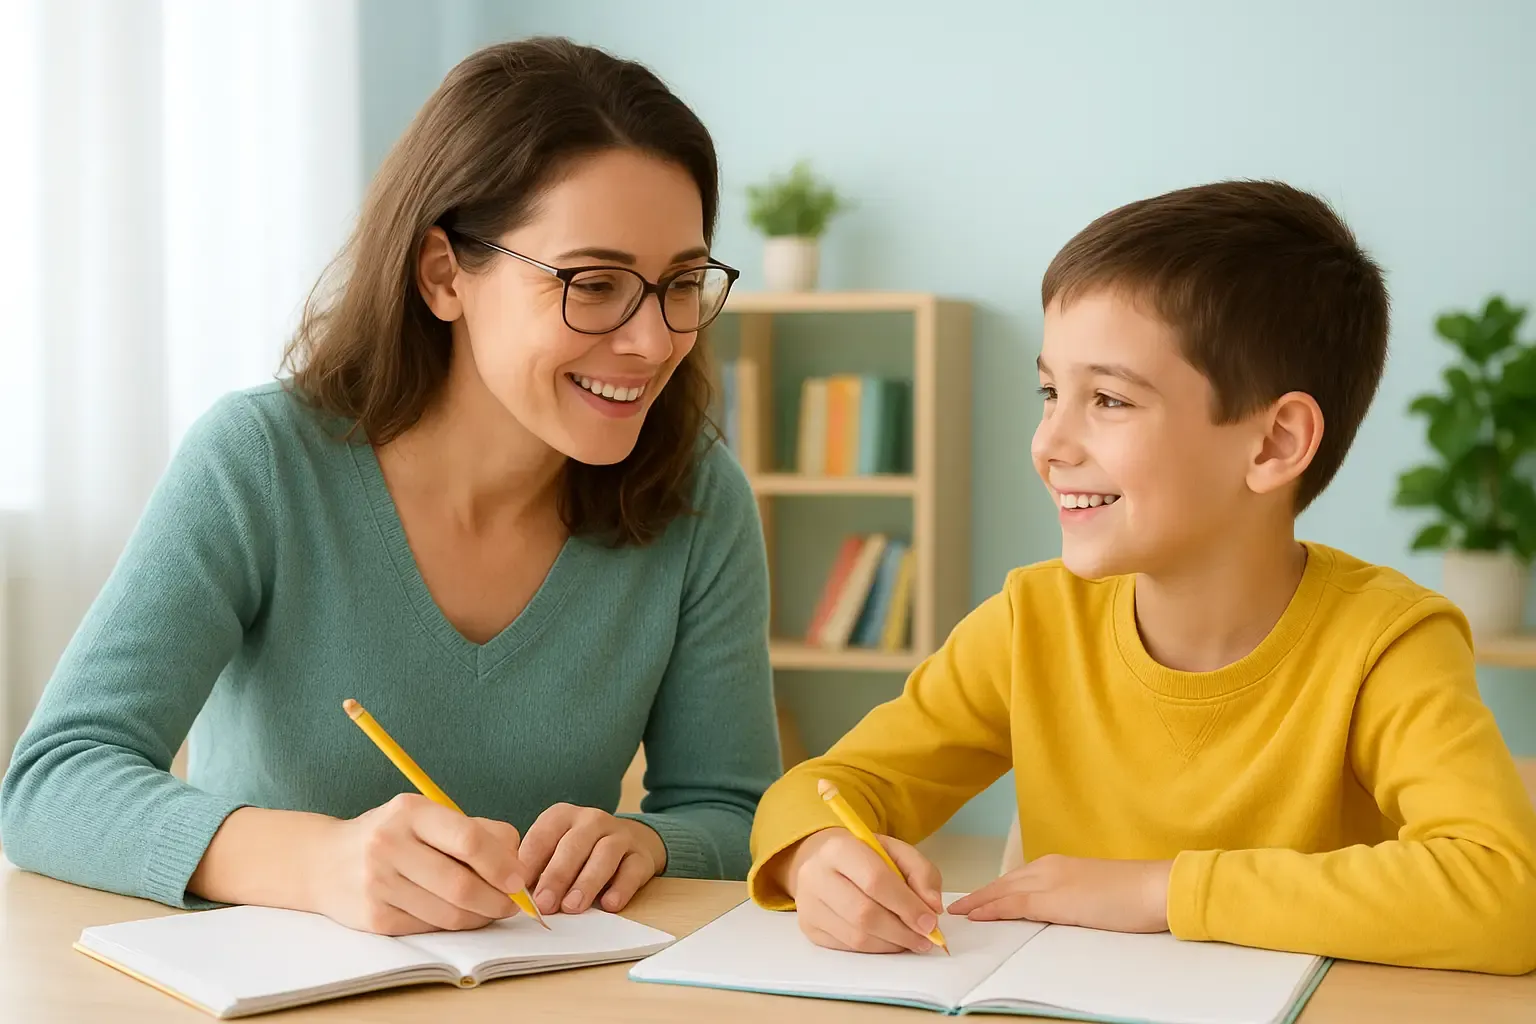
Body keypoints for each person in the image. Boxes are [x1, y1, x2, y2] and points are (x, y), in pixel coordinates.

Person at [0, 37, 781, 936]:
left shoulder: (697, 500)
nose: (654, 340)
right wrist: (317, 863)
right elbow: (54, 783)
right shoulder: (260, 464)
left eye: (681, 283)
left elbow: (736, 814)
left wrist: (650, 843)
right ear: (444, 274)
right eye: (595, 283)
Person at [746, 180, 1536, 974]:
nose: (1049, 443)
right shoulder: (1031, 623)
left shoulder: (1388, 643)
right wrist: (816, 856)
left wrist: (1162, 891)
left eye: (1110, 400)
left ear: (1273, 443)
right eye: (1050, 392)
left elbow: (1503, 892)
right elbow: (824, 788)